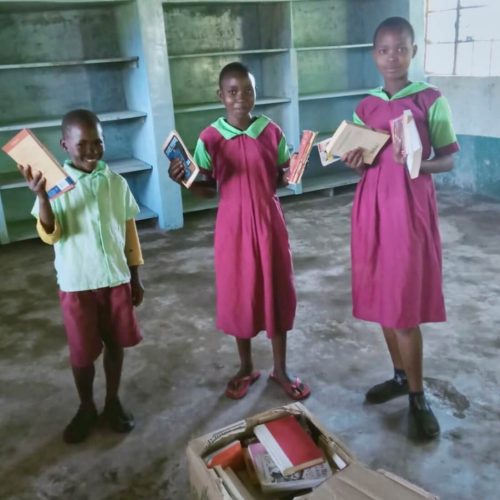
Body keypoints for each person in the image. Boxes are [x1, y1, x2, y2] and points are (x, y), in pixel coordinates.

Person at [342, 17, 459, 439]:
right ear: (375, 55)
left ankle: (417, 394)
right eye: (385, 50)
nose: (393, 57)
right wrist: (354, 159)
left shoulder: (430, 100)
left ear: (413, 51)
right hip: (372, 206)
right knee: (381, 294)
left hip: (409, 208)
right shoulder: (366, 106)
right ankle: (397, 375)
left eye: (401, 49)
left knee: (405, 304)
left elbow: (447, 157)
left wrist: (418, 165)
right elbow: (360, 157)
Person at [168, 62, 310, 401]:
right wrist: (184, 182)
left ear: (255, 93)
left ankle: (281, 368)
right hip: (232, 226)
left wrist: (294, 169)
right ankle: (246, 366)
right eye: (232, 92)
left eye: (247, 90)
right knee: (239, 293)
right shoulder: (209, 138)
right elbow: (207, 188)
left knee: (277, 290)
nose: (240, 98)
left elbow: (279, 177)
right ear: (220, 96)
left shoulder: (271, 131)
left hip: (268, 221)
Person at [19, 109, 145, 443]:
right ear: (64, 144)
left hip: (115, 279)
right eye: (82, 144)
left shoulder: (116, 183)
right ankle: (86, 405)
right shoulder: (55, 186)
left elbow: (128, 229)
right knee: (82, 353)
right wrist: (42, 197)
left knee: (116, 343)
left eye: (97, 142)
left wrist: (135, 275)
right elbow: (50, 233)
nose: (91, 149)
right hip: (78, 285)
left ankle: (112, 401)